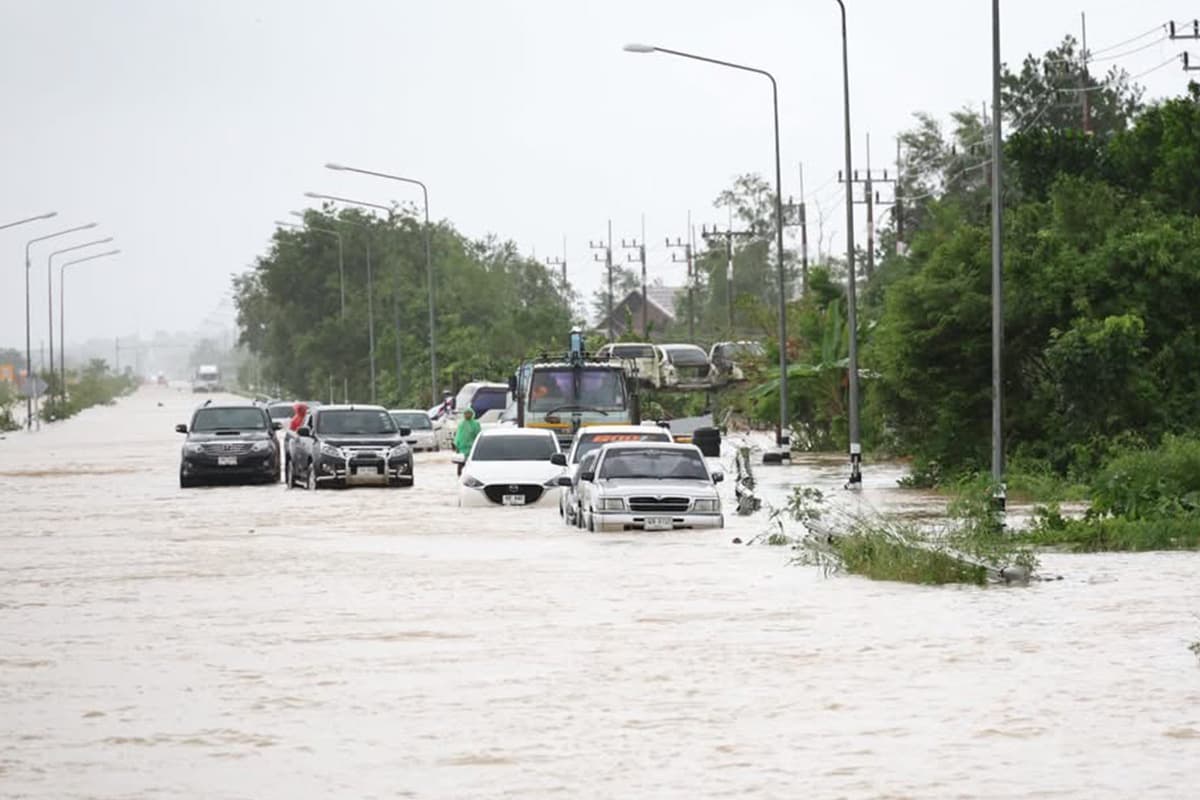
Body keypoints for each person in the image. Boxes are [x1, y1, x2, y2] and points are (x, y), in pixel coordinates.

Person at [453, 407, 482, 476]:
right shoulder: (461, 424)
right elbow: (458, 436)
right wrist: (457, 447)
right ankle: (460, 476)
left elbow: (478, 435)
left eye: (469, 413)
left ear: (472, 414)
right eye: (466, 413)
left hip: (472, 448)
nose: (467, 415)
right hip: (462, 448)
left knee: (472, 465)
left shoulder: (476, 424)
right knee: (461, 464)